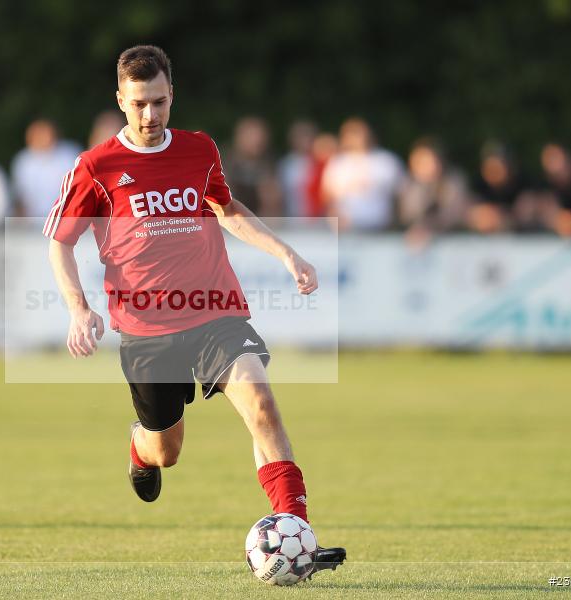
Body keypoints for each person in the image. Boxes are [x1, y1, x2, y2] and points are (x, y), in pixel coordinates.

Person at [42, 44, 345, 576]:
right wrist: (78, 308)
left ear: (171, 95)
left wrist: (287, 253)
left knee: (264, 409)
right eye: (138, 104)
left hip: (215, 312)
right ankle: (140, 448)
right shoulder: (96, 167)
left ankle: (298, 533)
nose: (150, 115)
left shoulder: (199, 149)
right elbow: (60, 243)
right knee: (167, 451)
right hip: (146, 330)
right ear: (120, 100)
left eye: (159, 102)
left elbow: (226, 209)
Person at [323, 118, 403, 231]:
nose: (357, 138)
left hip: (381, 229)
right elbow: (328, 196)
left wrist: (395, 222)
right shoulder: (338, 163)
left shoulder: (387, 161)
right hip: (347, 230)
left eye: (359, 133)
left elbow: (398, 195)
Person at [397, 137, 469, 242]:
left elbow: (453, 214)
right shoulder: (407, 185)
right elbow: (406, 215)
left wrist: (429, 227)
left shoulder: (453, 182)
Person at [10, 120, 81, 217]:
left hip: (66, 217)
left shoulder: (70, 154)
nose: (44, 138)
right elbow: (20, 196)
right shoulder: (23, 160)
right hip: (32, 221)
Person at [223, 116, 282, 216]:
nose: (257, 141)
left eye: (260, 136)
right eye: (251, 136)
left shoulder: (268, 165)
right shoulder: (226, 163)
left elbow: (272, 204)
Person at [277, 120, 317, 217]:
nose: (304, 140)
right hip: (292, 217)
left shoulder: (319, 161)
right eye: (300, 136)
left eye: (307, 135)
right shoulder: (285, 164)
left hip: (318, 218)